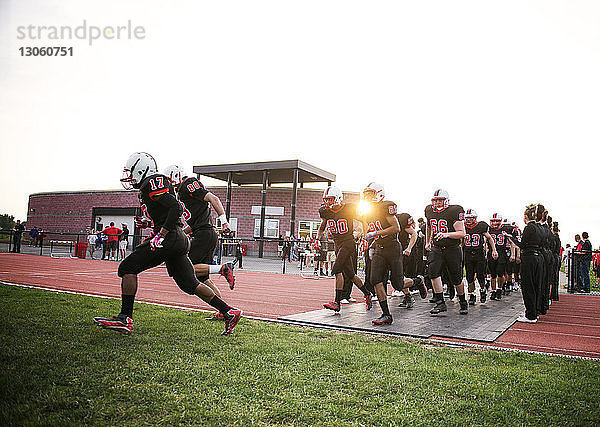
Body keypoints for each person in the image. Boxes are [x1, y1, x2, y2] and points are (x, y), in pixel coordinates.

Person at [94, 152, 241, 335]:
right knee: (190, 284)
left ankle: (125, 318)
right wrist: (149, 224)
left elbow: (175, 207)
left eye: (131, 172)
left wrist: (161, 234)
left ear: (141, 169)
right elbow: (169, 213)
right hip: (178, 238)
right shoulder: (154, 186)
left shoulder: (153, 182)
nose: (129, 177)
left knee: (127, 267)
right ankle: (229, 311)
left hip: (171, 238)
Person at [163, 165, 235, 297]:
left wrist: (224, 221)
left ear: (175, 176)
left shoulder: (188, 183)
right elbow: (193, 224)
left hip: (204, 234)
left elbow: (214, 198)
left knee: (183, 269)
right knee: (203, 278)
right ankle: (224, 310)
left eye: (168, 181)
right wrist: (176, 234)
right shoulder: (182, 194)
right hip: (205, 233)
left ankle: (222, 268)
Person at [359, 182, 426, 325]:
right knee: (375, 279)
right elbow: (367, 228)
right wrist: (366, 239)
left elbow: (396, 228)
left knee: (398, 284)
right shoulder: (367, 211)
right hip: (379, 247)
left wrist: (375, 233)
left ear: (379, 193)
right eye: (366, 194)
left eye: (370, 193)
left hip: (393, 248)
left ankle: (418, 281)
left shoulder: (385, 207)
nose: (367, 197)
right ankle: (386, 314)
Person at [318, 186, 373, 313]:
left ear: (338, 198)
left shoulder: (349, 208)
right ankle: (367, 293)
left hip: (348, 243)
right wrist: (316, 239)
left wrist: (364, 238)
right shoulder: (325, 211)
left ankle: (337, 302)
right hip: (337, 244)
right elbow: (322, 227)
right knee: (351, 274)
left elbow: (364, 222)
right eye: (326, 200)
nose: (327, 202)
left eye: (330, 199)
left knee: (336, 270)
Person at [425, 189, 468, 315]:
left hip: (452, 248)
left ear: (446, 201)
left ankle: (462, 301)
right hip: (437, 248)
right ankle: (440, 303)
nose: (437, 203)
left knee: (456, 278)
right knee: (433, 273)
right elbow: (429, 226)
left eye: (440, 200)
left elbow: (462, 233)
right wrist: (428, 242)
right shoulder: (429, 210)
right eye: (435, 200)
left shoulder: (454, 211)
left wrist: (446, 234)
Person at [505, 204, 545, 323]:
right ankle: (534, 312)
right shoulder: (539, 228)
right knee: (536, 285)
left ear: (526, 216)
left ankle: (530, 315)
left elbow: (522, 245)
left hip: (529, 258)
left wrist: (511, 238)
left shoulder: (529, 228)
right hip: (538, 258)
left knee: (528, 286)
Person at [463, 209, 497, 305]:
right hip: (468, 253)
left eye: (470, 218)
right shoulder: (463, 227)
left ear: (475, 218)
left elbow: (489, 238)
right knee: (469, 277)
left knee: (480, 275)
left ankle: (482, 290)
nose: (468, 220)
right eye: (467, 218)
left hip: (479, 254)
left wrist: (493, 250)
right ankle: (472, 294)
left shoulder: (480, 226)